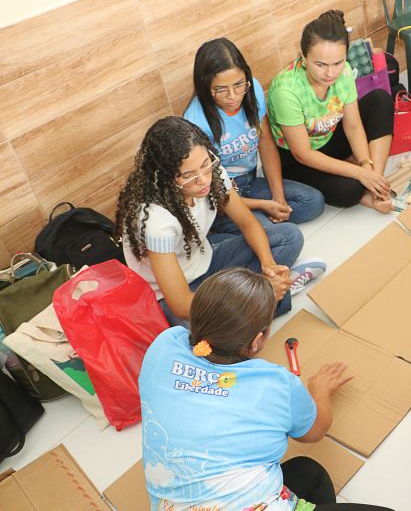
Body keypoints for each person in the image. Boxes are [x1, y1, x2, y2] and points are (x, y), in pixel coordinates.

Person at [139, 267, 394, 511]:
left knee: (308, 473)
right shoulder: (275, 384)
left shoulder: (163, 345)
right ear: (257, 341)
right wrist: (319, 391)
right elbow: (315, 431)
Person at [115, 117, 320, 327]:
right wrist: (262, 290)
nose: (204, 179)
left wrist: (270, 267)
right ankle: (267, 298)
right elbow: (181, 304)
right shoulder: (156, 221)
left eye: (206, 164)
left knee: (288, 236)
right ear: (164, 176)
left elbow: (248, 223)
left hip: (206, 260)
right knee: (197, 336)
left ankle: (259, 300)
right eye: (188, 175)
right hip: (174, 294)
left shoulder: (212, 173)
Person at [184, 37, 325, 232]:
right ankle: (254, 224)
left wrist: (278, 197)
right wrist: (263, 205)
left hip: (252, 180)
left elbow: (265, 142)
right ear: (205, 87)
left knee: (313, 202)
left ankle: (259, 222)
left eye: (239, 84)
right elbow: (211, 191)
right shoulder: (195, 120)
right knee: (276, 234)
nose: (233, 96)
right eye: (221, 89)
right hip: (224, 195)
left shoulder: (253, 90)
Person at [267, 10, 395, 212]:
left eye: (338, 63)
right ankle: (363, 182)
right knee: (349, 191)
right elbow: (303, 154)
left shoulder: (344, 72)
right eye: (320, 65)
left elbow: (353, 126)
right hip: (299, 158)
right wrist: (358, 173)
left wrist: (367, 167)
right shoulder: (286, 90)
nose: (330, 73)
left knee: (381, 99)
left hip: (329, 136)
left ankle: (376, 186)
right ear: (303, 57)